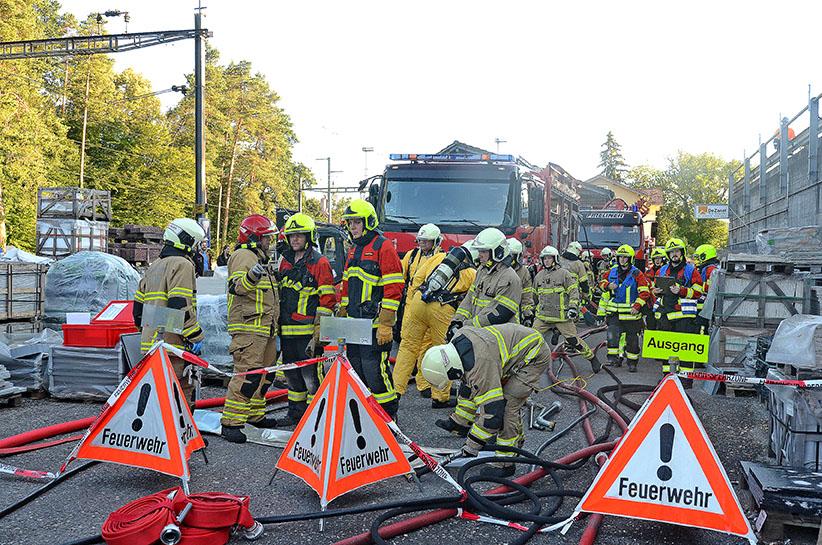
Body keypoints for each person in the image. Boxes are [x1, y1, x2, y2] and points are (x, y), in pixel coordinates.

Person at [422, 323, 552, 478]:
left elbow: (493, 414)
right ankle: (461, 423)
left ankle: (505, 462)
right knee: (470, 386)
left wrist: (471, 446)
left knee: (507, 405)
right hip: (513, 349)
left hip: (534, 356)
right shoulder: (456, 346)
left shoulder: (481, 365)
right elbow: (470, 386)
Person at [444, 228, 522, 434]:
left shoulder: (509, 277)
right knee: (469, 379)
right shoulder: (482, 271)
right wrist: (457, 321)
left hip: (497, 339)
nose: (480, 255)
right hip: (478, 335)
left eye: (484, 252)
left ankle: (490, 432)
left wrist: (468, 326)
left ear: (497, 252)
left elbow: (500, 313)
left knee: (491, 388)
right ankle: (461, 421)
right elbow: (469, 300)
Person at [338, 199, 404, 417]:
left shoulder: (382, 246)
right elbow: (347, 284)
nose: (353, 227)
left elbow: (394, 287)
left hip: (375, 325)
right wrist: (343, 312)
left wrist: (386, 324)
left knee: (375, 372)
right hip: (355, 324)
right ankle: (369, 416)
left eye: (357, 222)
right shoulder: (354, 248)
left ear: (368, 222)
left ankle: (388, 416)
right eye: (350, 223)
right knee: (357, 370)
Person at [393, 241, 477, 408]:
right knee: (444, 352)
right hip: (442, 309)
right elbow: (473, 299)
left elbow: (417, 279)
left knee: (408, 347)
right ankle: (439, 396)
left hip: (419, 301)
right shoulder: (472, 273)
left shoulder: (438, 257)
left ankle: (395, 391)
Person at [133, 218, 206, 409]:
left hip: (151, 343)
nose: (198, 250)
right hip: (173, 345)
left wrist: (152, 331)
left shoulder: (155, 265)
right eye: (197, 244)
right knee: (179, 393)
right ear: (187, 241)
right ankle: (181, 438)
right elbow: (179, 305)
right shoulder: (182, 265)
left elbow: (138, 311)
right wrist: (195, 336)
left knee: (158, 394)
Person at [221, 214, 280, 443]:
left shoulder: (259, 258)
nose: (269, 242)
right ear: (254, 237)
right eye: (266, 238)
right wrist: (253, 276)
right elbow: (237, 287)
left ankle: (255, 414)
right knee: (247, 375)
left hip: (265, 328)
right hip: (249, 328)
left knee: (264, 374)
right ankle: (231, 422)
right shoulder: (243, 256)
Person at [278, 212, 337, 425]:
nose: (295, 239)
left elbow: (328, 299)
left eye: (299, 235)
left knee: (311, 378)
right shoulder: (284, 262)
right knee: (291, 376)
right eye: (292, 235)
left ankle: (316, 418)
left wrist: (319, 333)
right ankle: (295, 414)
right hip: (287, 330)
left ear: (309, 237)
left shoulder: (319, 263)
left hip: (307, 333)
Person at [532, 245, 601, 373]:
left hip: (562, 317)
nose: (546, 261)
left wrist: (573, 307)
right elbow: (534, 296)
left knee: (573, 341)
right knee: (531, 339)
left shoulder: (564, 274)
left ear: (555, 259)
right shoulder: (539, 276)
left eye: (549, 258)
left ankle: (591, 358)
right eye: (544, 258)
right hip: (543, 317)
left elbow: (574, 292)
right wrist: (530, 311)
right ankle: (528, 364)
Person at [654, 238, 703, 374]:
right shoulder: (662, 270)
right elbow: (654, 287)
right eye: (671, 252)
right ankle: (667, 376)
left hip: (684, 316)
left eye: (677, 251)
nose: (674, 254)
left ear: (682, 253)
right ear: (668, 255)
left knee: (685, 349)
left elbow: (699, 291)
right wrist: (655, 291)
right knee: (666, 349)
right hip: (666, 315)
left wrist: (682, 291)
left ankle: (686, 378)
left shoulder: (691, 270)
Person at [599, 244, 651, 372]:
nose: (622, 260)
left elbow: (645, 292)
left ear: (630, 259)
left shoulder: (637, 274)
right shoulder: (612, 271)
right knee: (612, 337)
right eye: (620, 257)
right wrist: (607, 286)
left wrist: (637, 306)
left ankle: (632, 362)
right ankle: (614, 359)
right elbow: (601, 283)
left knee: (632, 340)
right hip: (614, 313)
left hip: (631, 315)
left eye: (625, 257)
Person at [395, 224, 443, 343]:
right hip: (410, 301)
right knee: (406, 336)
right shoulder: (411, 255)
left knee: (426, 338)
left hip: (429, 303)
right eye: (420, 240)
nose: (422, 243)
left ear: (435, 241)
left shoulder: (441, 258)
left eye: (426, 241)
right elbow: (399, 275)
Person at [508, 238, 535, 326]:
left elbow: (526, 295)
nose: (509, 258)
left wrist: (527, 315)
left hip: (515, 313)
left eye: (512, 255)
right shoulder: (498, 269)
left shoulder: (523, 272)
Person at [694, 243, 719, 334]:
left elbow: (708, 288)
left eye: (698, 257)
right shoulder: (713, 267)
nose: (696, 260)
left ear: (704, 256)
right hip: (710, 304)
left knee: (702, 327)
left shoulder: (709, 269)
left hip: (705, 305)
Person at [644, 247, 667, 331]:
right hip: (651, 305)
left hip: (664, 305)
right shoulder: (648, 272)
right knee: (651, 326)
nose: (657, 261)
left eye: (659, 258)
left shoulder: (667, 271)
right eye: (655, 259)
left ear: (664, 259)